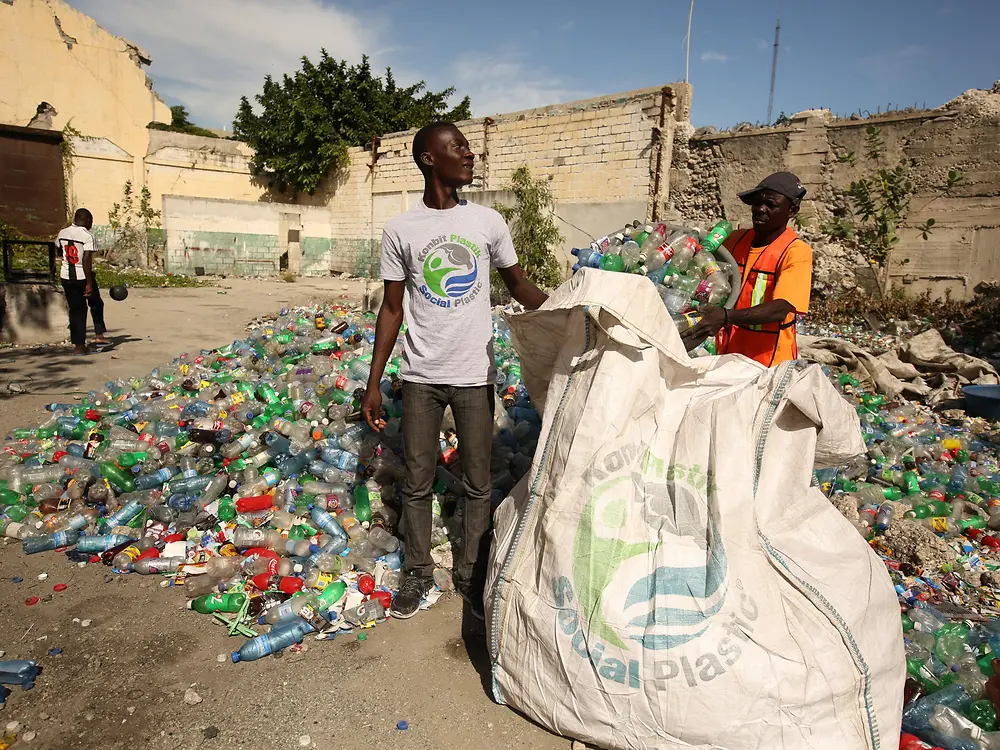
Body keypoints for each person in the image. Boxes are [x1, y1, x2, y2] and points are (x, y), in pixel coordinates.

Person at [361, 121, 548, 621]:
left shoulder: (488, 222)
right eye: (458, 147)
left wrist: (572, 307)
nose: (469, 155)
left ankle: (470, 571)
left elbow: (519, 287)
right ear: (428, 158)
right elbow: (392, 309)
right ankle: (418, 571)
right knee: (418, 482)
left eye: (467, 146)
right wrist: (375, 381)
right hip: (420, 375)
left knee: (477, 481)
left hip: (474, 374)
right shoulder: (400, 229)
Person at [680, 172, 813, 366]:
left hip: (767, 363)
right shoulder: (736, 241)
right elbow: (696, 256)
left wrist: (725, 317)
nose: (760, 209)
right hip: (727, 356)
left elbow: (780, 309)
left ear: (792, 211)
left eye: (771, 204)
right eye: (757, 203)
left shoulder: (795, 252)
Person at [56, 208, 107, 354]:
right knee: (90, 305)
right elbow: (86, 259)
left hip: (66, 276)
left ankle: (81, 343)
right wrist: (89, 283)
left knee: (76, 309)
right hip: (82, 277)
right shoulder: (87, 235)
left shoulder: (62, 233)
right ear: (87, 220)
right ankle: (85, 343)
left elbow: (58, 250)